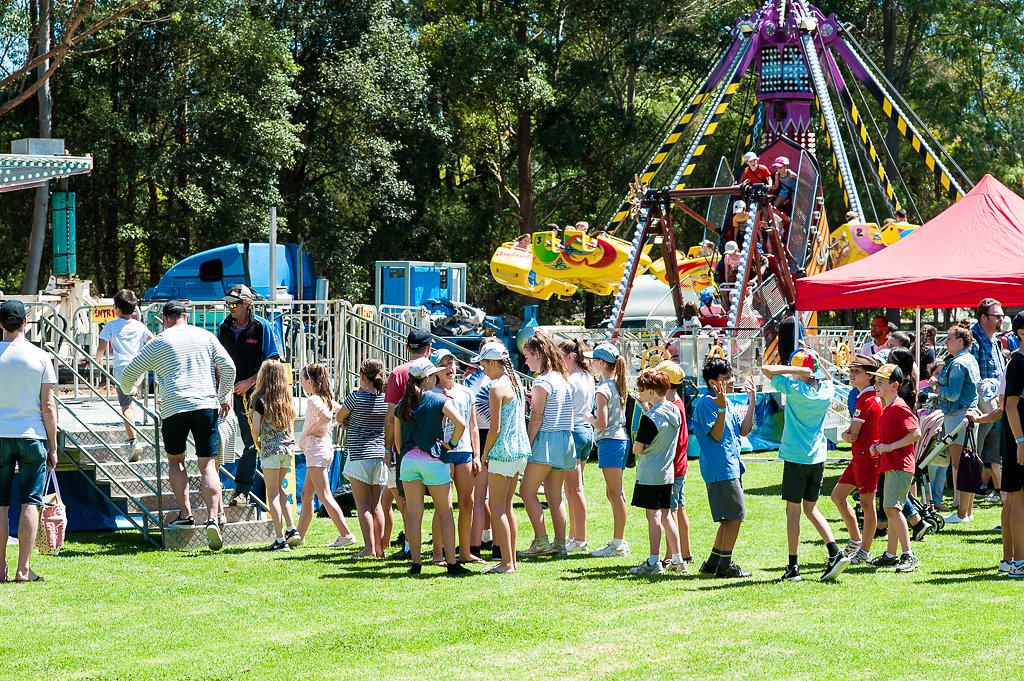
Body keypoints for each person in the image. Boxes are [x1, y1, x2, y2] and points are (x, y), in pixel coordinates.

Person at [121, 301, 234, 551]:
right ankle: (214, 518)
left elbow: (129, 372)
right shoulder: (205, 335)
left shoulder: (159, 341)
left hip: (173, 408)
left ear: (166, 319)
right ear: (186, 316)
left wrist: (129, 390)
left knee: (176, 462)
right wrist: (222, 394)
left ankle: (186, 514)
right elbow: (229, 367)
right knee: (208, 464)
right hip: (205, 406)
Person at [762, 351, 850, 582]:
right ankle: (834, 552)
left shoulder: (794, 389)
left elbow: (766, 369)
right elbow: (829, 379)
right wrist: (815, 367)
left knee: (793, 512)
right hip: (817, 458)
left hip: (796, 457)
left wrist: (796, 370)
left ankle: (793, 567)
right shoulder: (825, 391)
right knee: (811, 509)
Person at [394, 357, 470, 576]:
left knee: (414, 515)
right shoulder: (437, 399)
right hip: (433, 459)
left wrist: (405, 452)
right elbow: (461, 423)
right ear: (428, 378)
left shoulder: (403, 403)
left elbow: (398, 440)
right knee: (445, 513)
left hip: (408, 461)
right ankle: (452, 564)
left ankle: (416, 564)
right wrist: (452, 443)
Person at [0, 300, 58, 582]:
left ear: (0, 324)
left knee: (0, 505)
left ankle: (0, 567)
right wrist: (54, 445)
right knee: (30, 503)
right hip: (32, 436)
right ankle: (23, 569)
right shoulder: (41, 357)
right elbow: (48, 406)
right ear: (25, 323)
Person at [217, 285, 281, 506]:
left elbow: (273, 361)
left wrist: (249, 382)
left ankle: (242, 491)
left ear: (247, 303)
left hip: (253, 394)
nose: (230, 307)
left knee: (250, 442)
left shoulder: (262, 327)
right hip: (226, 393)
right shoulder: (223, 327)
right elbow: (217, 363)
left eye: (234, 303)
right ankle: (214, 485)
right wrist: (221, 391)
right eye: (228, 303)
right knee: (216, 439)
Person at [693, 357, 756, 578]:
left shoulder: (726, 402)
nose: (730, 381)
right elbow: (717, 435)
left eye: (730, 377)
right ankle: (725, 565)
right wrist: (720, 409)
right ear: (712, 383)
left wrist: (752, 401)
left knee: (729, 518)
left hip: (732, 466)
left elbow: (744, 430)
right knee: (736, 516)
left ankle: (713, 562)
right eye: (725, 378)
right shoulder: (706, 404)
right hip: (720, 469)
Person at [518, 332, 574, 558]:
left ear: (537, 354)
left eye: (527, 356)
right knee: (555, 495)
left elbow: (537, 418)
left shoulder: (542, 381)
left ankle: (541, 541)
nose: (525, 361)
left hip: (547, 440)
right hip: (564, 440)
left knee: (526, 491)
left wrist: (527, 444)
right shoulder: (561, 378)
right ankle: (560, 543)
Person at [476, 342, 531, 574]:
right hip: (518, 450)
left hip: (503, 451)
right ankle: (511, 561)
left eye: (483, 364)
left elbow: (494, 429)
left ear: (492, 362)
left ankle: (507, 563)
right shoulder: (516, 382)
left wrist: (483, 454)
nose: (483, 370)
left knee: (497, 507)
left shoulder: (496, 388)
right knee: (507, 507)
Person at [627, 369, 684, 575]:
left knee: (653, 516)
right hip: (667, 473)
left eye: (641, 390)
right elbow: (659, 418)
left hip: (650, 473)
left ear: (651, 391)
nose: (638, 392)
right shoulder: (674, 410)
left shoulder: (650, 418)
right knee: (667, 514)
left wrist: (636, 439)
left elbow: (638, 448)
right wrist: (645, 408)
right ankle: (678, 559)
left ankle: (653, 562)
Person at [431, 348, 484, 565]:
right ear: (435, 370)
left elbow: (473, 426)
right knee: (444, 505)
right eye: (443, 364)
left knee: (468, 502)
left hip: (464, 452)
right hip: (441, 453)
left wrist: (477, 456)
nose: (449, 368)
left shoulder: (466, 392)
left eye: (451, 363)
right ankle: (437, 554)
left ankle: (464, 551)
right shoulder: (431, 393)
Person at [867, 364, 922, 572]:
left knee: (892, 509)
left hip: (901, 465)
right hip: (891, 464)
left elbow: (915, 432)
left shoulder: (899, 406)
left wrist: (888, 447)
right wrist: (879, 446)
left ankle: (908, 555)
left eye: (881, 382)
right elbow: (893, 436)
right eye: (876, 381)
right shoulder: (887, 407)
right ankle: (891, 555)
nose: (876, 385)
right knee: (890, 510)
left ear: (894, 385)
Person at [295, 363, 356, 550]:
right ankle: (299, 536)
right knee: (307, 494)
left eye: (302, 379)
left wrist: (315, 429)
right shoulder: (325, 398)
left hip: (317, 451)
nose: (300, 383)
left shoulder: (314, 400)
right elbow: (341, 410)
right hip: (320, 450)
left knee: (324, 495)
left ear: (309, 381)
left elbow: (327, 417)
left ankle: (346, 534)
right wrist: (331, 425)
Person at [384, 327, 433, 559]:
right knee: (443, 503)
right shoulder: (435, 371)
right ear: (429, 348)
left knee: (408, 503)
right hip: (435, 444)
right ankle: (440, 548)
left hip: (406, 448)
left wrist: (388, 448)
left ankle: (410, 548)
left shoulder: (397, 373)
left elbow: (391, 415)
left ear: (406, 348)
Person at [830, 354, 882, 565]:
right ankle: (855, 540)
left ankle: (864, 551)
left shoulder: (866, 399)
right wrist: (846, 435)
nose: (851, 374)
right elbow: (850, 434)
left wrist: (846, 435)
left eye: (857, 371)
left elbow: (853, 432)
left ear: (869, 376)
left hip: (867, 458)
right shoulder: (866, 396)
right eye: (851, 370)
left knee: (867, 505)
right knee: (837, 496)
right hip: (859, 457)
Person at [94, 289, 153, 462]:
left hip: (122, 369)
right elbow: (152, 340)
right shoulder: (139, 325)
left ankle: (134, 441)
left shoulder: (111, 325)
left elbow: (101, 347)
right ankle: (131, 432)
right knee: (132, 402)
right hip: (139, 367)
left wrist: (98, 360)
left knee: (125, 406)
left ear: (117, 309)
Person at [337, 358, 389, 557]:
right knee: (377, 506)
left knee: (363, 506)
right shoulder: (385, 399)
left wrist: (349, 422)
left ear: (361, 376)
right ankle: (379, 549)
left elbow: (340, 418)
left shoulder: (355, 398)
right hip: (379, 456)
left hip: (359, 455)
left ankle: (368, 549)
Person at [585, 342, 631, 558]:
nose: (591, 363)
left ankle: (618, 543)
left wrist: (588, 417)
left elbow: (601, 423)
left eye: (593, 360)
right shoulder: (616, 384)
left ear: (601, 362)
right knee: (614, 493)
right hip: (618, 441)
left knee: (615, 493)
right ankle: (618, 540)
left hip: (611, 442)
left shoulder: (603, 389)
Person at [930, 324, 980, 523]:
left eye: (949, 338)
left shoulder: (958, 364)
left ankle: (962, 514)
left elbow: (952, 394)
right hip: (967, 416)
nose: (945, 342)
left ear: (961, 340)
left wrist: (936, 386)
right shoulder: (969, 359)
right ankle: (966, 512)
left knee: (962, 466)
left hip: (958, 417)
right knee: (969, 464)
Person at [249, 360, 299, 551]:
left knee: (272, 494)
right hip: (288, 449)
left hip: (270, 450)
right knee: (279, 489)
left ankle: (279, 539)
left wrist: (257, 440)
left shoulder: (260, 400)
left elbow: (256, 428)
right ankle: (291, 528)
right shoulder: (286, 399)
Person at [559, 338, 595, 554]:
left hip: (574, 432)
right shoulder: (588, 377)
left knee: (574, 489)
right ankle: (575, 535)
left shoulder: (572, 380)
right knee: (573, 489)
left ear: (570, 358)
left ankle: (579, 538)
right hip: (585, 433)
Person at [657, 360, 692, 569]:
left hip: (673, 467)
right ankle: (685, 553)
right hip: (680, 466)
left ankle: (671, 556)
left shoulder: (672, 407)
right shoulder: (677, 402)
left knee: (669, 512)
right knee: (679, 509)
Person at [971, 298, 1006, 502]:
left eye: (1002, 315)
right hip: (980, 409)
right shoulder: (974, 341)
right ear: (983, 317)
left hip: (996, 407)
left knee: (995, 453)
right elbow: (973, 378)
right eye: (997, 316)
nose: (1001, 319)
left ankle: (1002, 494)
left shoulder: (996, 341)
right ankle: (969, 496)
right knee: (975, 450)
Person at [463, 362, 493, 558]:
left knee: (479, 497)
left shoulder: (471, 380)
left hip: (481, 436)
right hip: (494, 436)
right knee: (493, 497)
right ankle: (489, 538)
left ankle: (476, 544)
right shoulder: (510, 379)